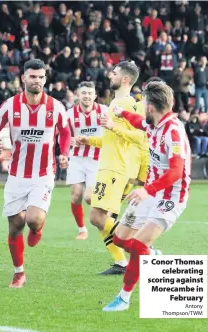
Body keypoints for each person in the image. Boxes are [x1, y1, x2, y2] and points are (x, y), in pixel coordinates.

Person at [103, 82, 191, 312]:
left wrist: (146, 190)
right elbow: (137, 122)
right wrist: (121, 113)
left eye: (143, 105)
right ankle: (152, 255)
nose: (142, 109)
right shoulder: (153, 123)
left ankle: (123, 298)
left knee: (139, 244)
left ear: (150, 107)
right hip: (150, 192)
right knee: (120, 240)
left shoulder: (172, 131)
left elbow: (176, 172)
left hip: (170, 197)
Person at [0, 59, 71, 288]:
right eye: (32, 76)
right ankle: (19, 273)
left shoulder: (55, 106)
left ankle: (38, 228)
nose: (37, 80)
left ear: (45, 78)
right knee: (15, 226)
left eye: (41, 77)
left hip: (43, 173)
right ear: (23, 78)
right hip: (16, 175)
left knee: (32, 220)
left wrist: (64, 152)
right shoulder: (10, 105)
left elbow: (64, 132)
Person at [76, 62, 141, 275]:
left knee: (96, 216)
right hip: (107, 166)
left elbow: (141, 136)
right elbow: (109, 139)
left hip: (116, 168)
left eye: (113, 73)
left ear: (125, 79)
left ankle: (143, 250)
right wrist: (89, 141)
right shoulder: (114, 103)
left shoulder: (130, 104)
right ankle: (121, 262)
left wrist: (113, 126)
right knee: (98, 215)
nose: (109, 75)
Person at [66, 81, 107, 240]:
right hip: (76, 158)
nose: (87, 96)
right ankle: (82, 229)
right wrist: (69, 140)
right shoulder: (69, 114)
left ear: (95, 96)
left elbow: (112, 131)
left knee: (89, 198)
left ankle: (107, 215)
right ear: (78, 95)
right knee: (76, 195)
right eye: (84, 93)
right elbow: (62, 135)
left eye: (90, 93)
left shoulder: (104, 111)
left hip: (97, 159)